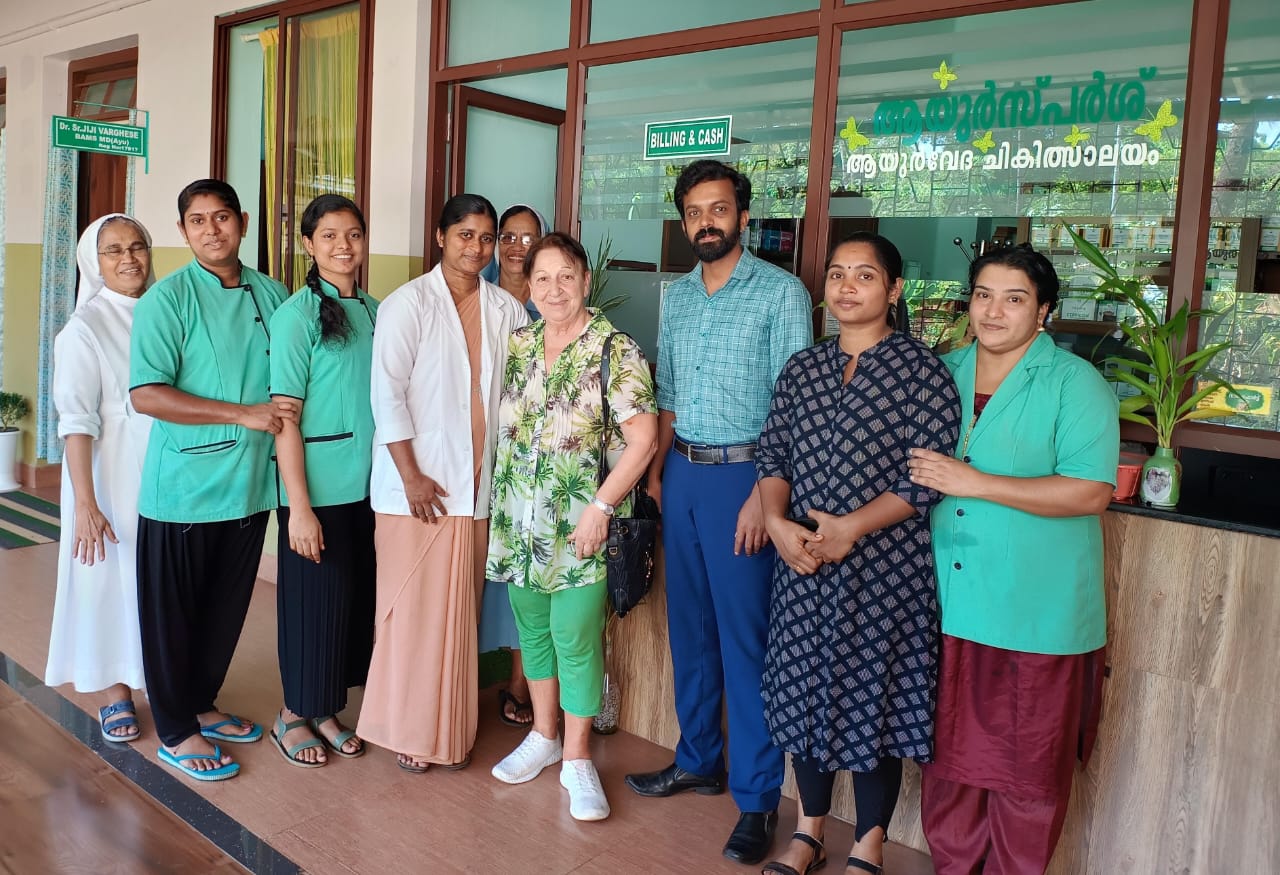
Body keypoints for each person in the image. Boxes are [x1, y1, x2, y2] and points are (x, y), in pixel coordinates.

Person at [623, 159, 812, 865]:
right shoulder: (676, 295)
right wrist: (658, 474)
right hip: (683, 474)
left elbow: (795, 406)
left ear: (743, 215)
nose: (707, 221)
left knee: (745, 641)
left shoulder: (781, 292)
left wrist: (768, 495)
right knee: (689, 629)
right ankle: (698, 757)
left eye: (719, 208)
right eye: (695, 211)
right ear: (684, 221)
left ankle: (757, 798)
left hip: (747, 479)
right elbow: (669, 390)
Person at [907, 245, 1119, 874]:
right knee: (948, 765)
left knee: (1027, 773)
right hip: (946, 603)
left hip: (1034, 613)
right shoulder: (938, 372)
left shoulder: (1074, 383)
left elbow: (1090, 492)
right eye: (983, 295)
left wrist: (975, 482)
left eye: (1015, 298)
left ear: (1044, 310)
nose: (994, 311)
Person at [756, 233, 961, 875]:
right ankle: (808, 832)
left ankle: (869, 842)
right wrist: (776, 523)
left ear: (894, 290)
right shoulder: (803, 368)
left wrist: (851, 528)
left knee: (877, 702)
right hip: (803, 564)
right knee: (801, 692)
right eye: (838, 274)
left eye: (865, 275)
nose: (847, 286)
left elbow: (924, 477)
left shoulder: (922, 372)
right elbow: (773, 455)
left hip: (885, 571)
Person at [486, 232, 657, 821]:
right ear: (528, 285)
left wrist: (601, 508)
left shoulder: (616, 349)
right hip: (519, 519)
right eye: (542, 278)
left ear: (585, 280)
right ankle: (544, 736)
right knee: (532, 631)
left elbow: (643, 441)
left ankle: (578, 758)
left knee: (575, 637)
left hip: (585, 522)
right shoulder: (520, 344)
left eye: (566, 276)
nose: (554, 288)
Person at [358, 193, 528, 772]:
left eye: (486, 237)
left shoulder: (507, 309)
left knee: (458, 618)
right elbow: (387, 395)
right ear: (440, 237)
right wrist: (411, 476)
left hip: (475, 488)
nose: (477, 247)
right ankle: (408, 729)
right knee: (411, 613)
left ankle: (450, 731)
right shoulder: (407, 304)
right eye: (465, 235)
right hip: (417, 490)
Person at [130, 179, 290, 781]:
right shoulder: (166, 301)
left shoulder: (272, 294)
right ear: (183, 231)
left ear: (242, 222)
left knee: (224, 611)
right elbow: (147, 394)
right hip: (185, 490)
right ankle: (175, 730)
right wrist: (241, 414)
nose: (212, 230)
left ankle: (201, 703)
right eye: (197, 221)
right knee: (174, 617)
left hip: (251, 484)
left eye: (221, 217)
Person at [267, 195, 378, 767]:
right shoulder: (296, 316)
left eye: (353, 234)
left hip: (370, 489)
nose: (343, 246)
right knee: (312, 607)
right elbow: (284, 417)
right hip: (317, 490)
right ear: (308, 245)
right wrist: (299, 509)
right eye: (329, 236)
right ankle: (292, 716)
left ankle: (327, 709)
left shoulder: (376, 311)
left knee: (349, 607)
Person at [46, 213, 157, 743]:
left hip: (161, 465)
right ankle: (115, 692)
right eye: (113, 250)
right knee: (108, 574)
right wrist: (86, 504)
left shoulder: (161, 311)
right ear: (94, 262)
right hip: (106, 473)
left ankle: (161, 680)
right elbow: (76, 423)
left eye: (137, 246)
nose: (128, 258)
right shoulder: (83, 328)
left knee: (154, 577)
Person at [479, 202, 550, 727]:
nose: (516, 247)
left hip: (532, 458)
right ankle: (466, 680)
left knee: (524, 574)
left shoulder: (551, 300)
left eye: (528, 237)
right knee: (480, 572)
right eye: (508, 236)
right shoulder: (475, 293)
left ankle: (520, 686)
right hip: (480, 450)